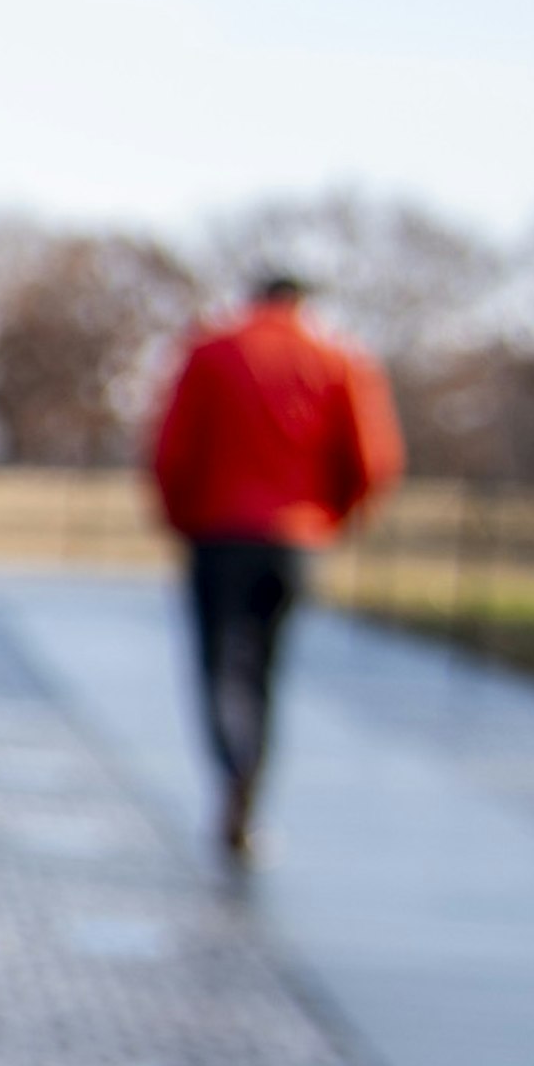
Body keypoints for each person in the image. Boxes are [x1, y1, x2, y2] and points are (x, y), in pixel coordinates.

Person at [146, 272, 402, 864]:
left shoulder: (211, 350)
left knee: (219, 666)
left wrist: (181, 518)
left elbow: (173, 449)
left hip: (219, 534)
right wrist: (328, 519)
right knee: (264, 669)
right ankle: (250, 790)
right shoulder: (338, 356)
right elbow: (372, 457)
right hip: (295, 538)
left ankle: (232, 769)